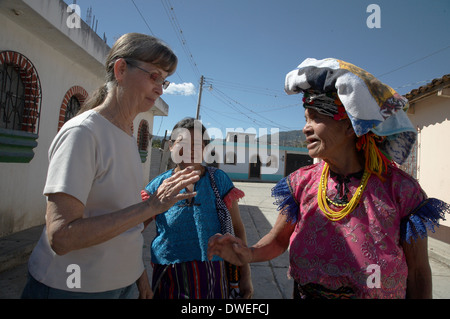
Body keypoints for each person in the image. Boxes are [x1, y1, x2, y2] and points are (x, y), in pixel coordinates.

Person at [208, 58, 449, 299]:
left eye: (314, 117)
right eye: (305, 119)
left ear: (350, 126)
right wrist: (248, 253)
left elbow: (418, 273)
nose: (305, 127)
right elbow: (278, 240)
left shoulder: (400, 190)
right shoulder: (301, 183)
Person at [21, 33, 201, 299]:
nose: (160, 89)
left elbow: (122, 222)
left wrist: (137, 276)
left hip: (121, 286)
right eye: (153, 76)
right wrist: (150, 207)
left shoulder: (127, 134)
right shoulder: (83, 133)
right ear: (121, 69)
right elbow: (61, 237)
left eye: (164, 80)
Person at [141, 117, 253, 299]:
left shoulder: (219, 181)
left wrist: (245, 275)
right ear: (171, 146)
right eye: (182, 142)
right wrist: (140, 275)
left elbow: (238, 229)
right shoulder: (158, 186)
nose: (191, 149)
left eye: (198, 143)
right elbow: (134, 231)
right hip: (169, 275)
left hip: (214, 274)